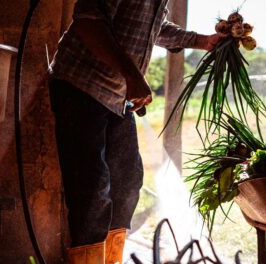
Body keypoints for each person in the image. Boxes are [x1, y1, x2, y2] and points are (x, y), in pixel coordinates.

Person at [48, 0, 225, 263]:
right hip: (80, 86)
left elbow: (153, 27)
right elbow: (88, 20)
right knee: (92, 190)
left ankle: (111, 259)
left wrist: (202, 41)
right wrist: (132, 75)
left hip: (117, 98)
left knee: (127, 182)